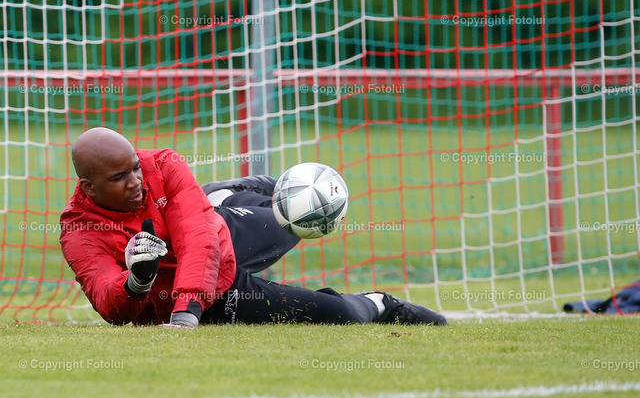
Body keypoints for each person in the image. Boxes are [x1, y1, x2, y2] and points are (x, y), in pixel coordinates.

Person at [59, 127, 448, 328]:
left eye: (135, 168)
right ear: (88, 187)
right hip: (222, 290)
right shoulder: (79, 230)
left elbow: (196, 237)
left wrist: (185, 314)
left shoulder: (162, 165)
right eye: (119, 177)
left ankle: (233, 194)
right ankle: (383, 303)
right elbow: (109, 303)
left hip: (221, 236)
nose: (136, 181)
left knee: (297, 216)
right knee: (340, 315)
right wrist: (137, 282)